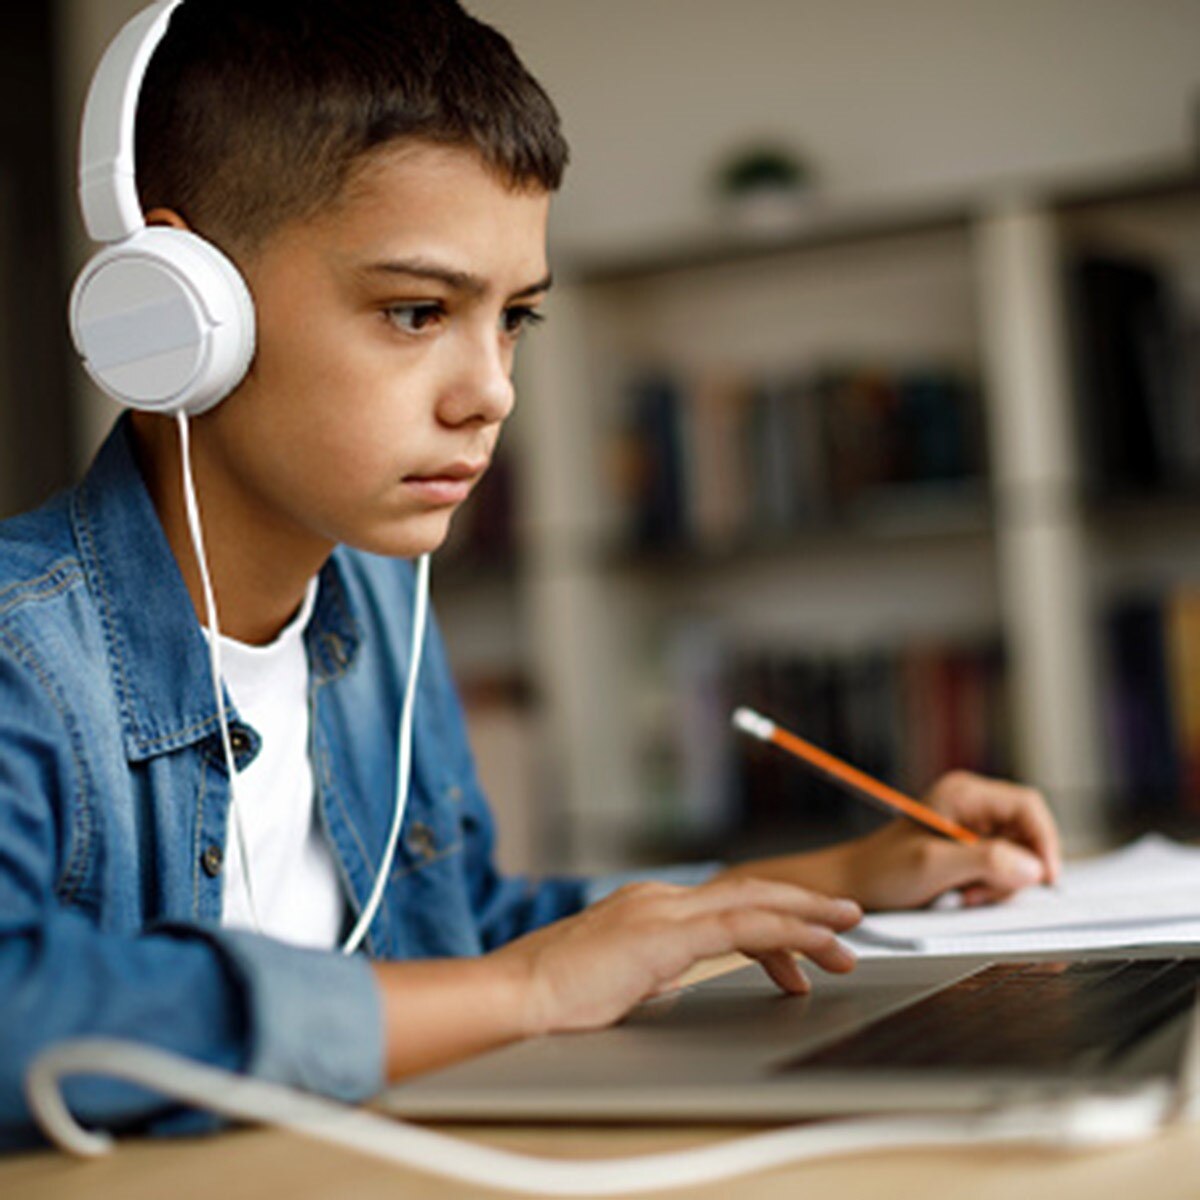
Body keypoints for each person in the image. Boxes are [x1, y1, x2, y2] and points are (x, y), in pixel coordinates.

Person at [0, 0, 1060, 1148]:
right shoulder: (22, 654)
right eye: (417, 312)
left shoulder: (381, 609)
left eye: (516, 319)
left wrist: (850, 870)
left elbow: (466, 930)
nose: (491, 391)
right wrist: (526, 995)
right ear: (177, 303)